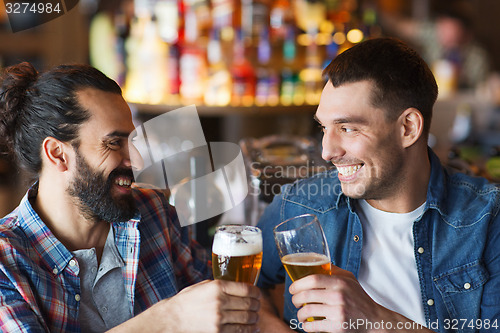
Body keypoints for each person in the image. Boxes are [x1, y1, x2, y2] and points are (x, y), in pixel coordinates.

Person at [256, 37, 500, 332]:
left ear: (408, 127)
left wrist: (374, 319)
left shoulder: (487, 221)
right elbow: (243, 293)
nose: (327, 151)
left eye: (347, 128)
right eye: (324, 127)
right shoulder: (299, 205)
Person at [0, 62, 260, 332]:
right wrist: (171, 318)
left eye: (132, 141)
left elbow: (229, 303)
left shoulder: (153, 211)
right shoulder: (7, 263)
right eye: (114, 143)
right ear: (57, 154)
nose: (136, 160)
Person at [380, 4, 490, 93]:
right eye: (443, 32)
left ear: (467, 35)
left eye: (454, 36)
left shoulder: (477, 56)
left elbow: (482, 89)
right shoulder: (432, 33)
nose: (447, 39)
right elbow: (401, 27)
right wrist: (378, 12)